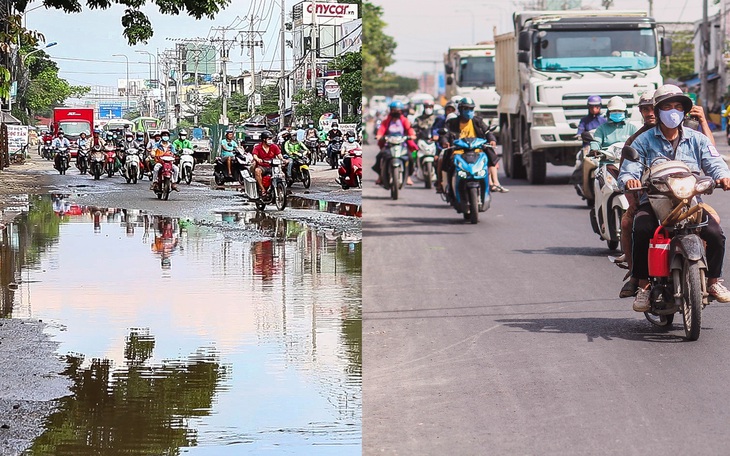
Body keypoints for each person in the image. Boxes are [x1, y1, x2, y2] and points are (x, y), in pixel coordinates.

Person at [618, 84, 730, 312]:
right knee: (641, 229)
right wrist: (630, 180)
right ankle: (644, 285)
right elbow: (628, 169)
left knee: (715, 234)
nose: (673, 111)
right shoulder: (643, 141)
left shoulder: (697, 139)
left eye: (678, 106)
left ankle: (714, 281)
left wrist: (723, 177)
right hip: (654, 201)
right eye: (667, 106)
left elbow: (715, 161)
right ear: (657, 111)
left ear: (684, 112)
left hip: (689, 202)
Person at [440, 97, 507, 194]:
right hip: (458, 152)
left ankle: (495, 183)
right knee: (447, 163)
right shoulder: (452, 123)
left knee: (490, 154)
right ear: (460, 110)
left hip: (477, 150)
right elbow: (445, 134)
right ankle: (449, 187)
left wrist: (492, 140)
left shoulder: (477, 121)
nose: (469, 111)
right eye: (466, 109)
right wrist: (445, 142)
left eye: (471, 109)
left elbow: (487, 131)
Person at [581, 96, 638, 202]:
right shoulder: (602, 129)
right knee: (601, 187)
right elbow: (596, 142)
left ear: (625, 112)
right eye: (614, 111)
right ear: (608, 112)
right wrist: (595, 150)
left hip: (628, 166)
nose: (617, 113)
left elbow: (639, 144)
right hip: (607, 165)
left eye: (619, 111)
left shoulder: (632, 128)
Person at [374, 100, 418, 186]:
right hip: (389, 145)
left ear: (401, 111)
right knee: (379, 157)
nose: (396, 112)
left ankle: (408, 176)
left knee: (411, 158)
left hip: (402, 145)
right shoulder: (386, 121)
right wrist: (379, 136)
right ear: (391, 110)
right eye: (394, 110)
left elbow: (410, 130)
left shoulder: (405, 120)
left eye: (398, 110)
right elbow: (381, 130)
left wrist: (412, 135)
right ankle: (380, 176)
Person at [571, 95, 607, 194]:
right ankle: (579, 182)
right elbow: (580, 130)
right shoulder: (584, 120)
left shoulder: (604, 120)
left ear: (600, 107)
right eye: (591, 107)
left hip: (601, 147)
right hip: (588, 147)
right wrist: (579, 134)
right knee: (579, 162)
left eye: (596, 107)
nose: (594, 109)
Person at [252, 131, 286, 197]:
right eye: (269, 139)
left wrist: (282, 159)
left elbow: (279, 155)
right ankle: (262, 189)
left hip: (272, 166)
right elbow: (254, 155)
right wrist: (258, 159)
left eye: (271, 139)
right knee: (257, 171)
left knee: (282, 174)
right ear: (264, 139)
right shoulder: (258, 147)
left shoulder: (274, 146)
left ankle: (281, 188)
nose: (270, 140)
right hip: (262, 166)